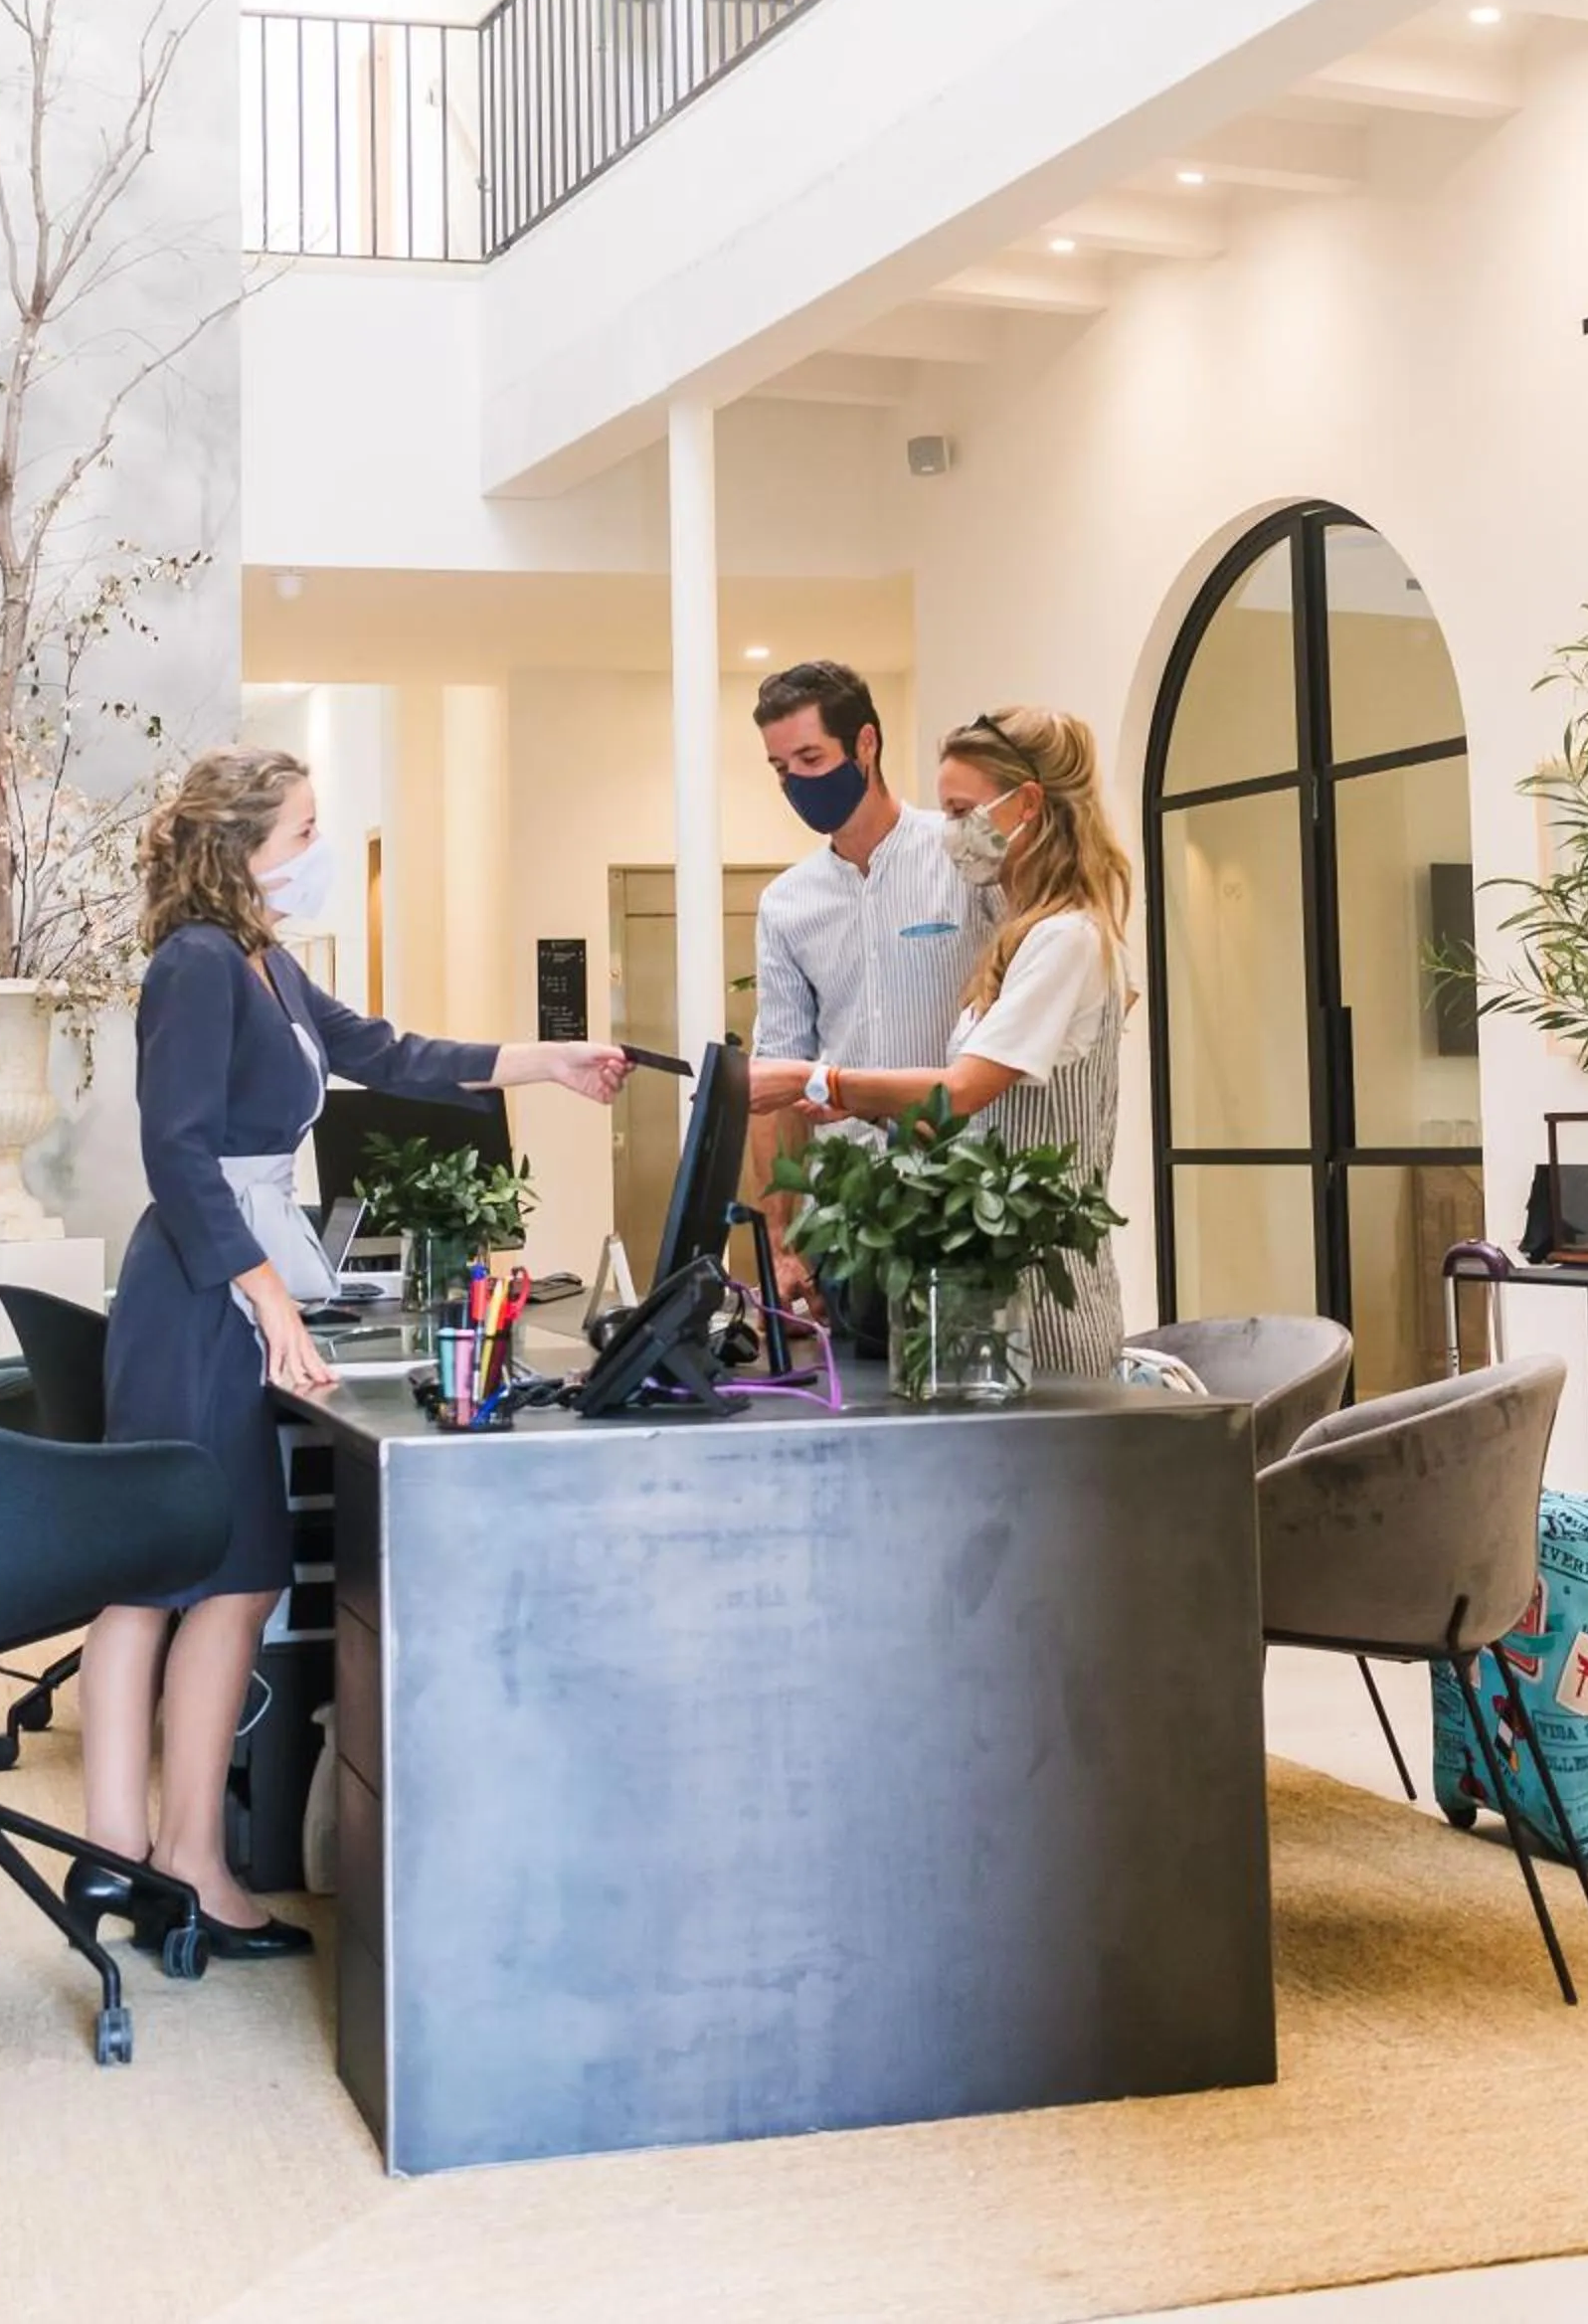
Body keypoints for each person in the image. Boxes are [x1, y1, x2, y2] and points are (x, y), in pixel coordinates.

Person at [68, 746, 626, 1960]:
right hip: (200, 1286)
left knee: (225, 1571)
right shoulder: (196, 964)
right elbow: (177, 1151)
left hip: (236, 1273)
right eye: (308, 828)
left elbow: (387, 1052)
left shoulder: (263, 964)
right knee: (173, 1566)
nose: (321, 849)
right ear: (244, 844)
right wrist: (269, 1303)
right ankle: (133, 1858)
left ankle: (168, 1857)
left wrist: (547, 1061)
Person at [751, 705, 1133, 1378]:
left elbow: (961, 1092)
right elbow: (963, 1118)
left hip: (1041, 1287)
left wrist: (820, 1082)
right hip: (971, 1276)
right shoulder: (1024, 937)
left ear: (1029, 806)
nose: (952, 835)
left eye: (962, 813)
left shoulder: (1066, 937)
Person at [748, 659, 989, 1334]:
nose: (797, 781)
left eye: (809, 757)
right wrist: (780, 1241)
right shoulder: (787, 905)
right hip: (848, 1215)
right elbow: (774, 1079)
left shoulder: (961, 861)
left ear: (865, 744)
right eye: (780, 768)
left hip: (964, 1200)